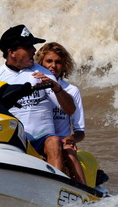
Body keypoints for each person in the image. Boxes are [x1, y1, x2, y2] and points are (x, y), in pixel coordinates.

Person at [0, 24, 75, 173]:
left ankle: (58, 186)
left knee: (54, 141)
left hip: (44, 140)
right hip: (17, 141)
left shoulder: (42, 73)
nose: (34, 50)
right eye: (28, 46)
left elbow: (69, 109)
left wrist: (56, 88)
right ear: (12, 52)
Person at [35, 42, 86, 184]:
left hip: (62, 142)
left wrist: (71, 139)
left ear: (64, 66)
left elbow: (80, 131)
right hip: (39, 140)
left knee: (68, 151)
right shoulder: (33, 85)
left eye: (58, 62)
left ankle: (85, 193)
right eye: (49, 61)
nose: (53, 66)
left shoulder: (71, 91)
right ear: (40, 62)